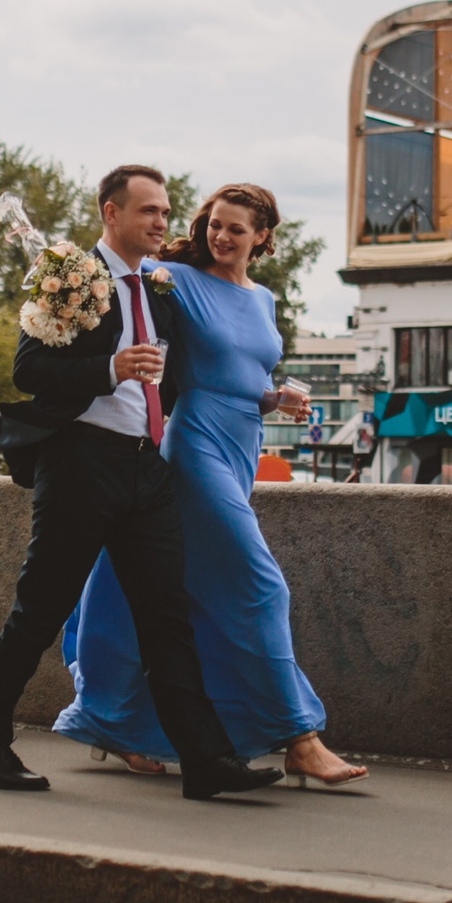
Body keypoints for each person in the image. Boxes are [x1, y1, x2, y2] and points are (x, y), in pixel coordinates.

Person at [0, 165, 284, 803]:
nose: (163, 222)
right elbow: (29, 370)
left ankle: (206, 761)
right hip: (82, 464)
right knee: (40, 609)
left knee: (168, 618)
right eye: (148, 212)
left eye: (165, 212)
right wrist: (111, 366)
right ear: (111, 214)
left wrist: (271, 398)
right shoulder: (71, 276)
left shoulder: (162, 287)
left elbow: (208, 367)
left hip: (147, 466)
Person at [54, 183, 369, 788]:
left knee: (166, 592)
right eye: (215, 225)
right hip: (195, 445)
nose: (221, 237)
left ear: (262, 238)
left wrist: (278, 397)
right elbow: (113, 270)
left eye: (236, 230)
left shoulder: (264, 298)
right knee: (260, 588)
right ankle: (299, 737)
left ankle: (115, 720)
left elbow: (245, 374)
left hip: (241, 445)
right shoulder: (176, 278)